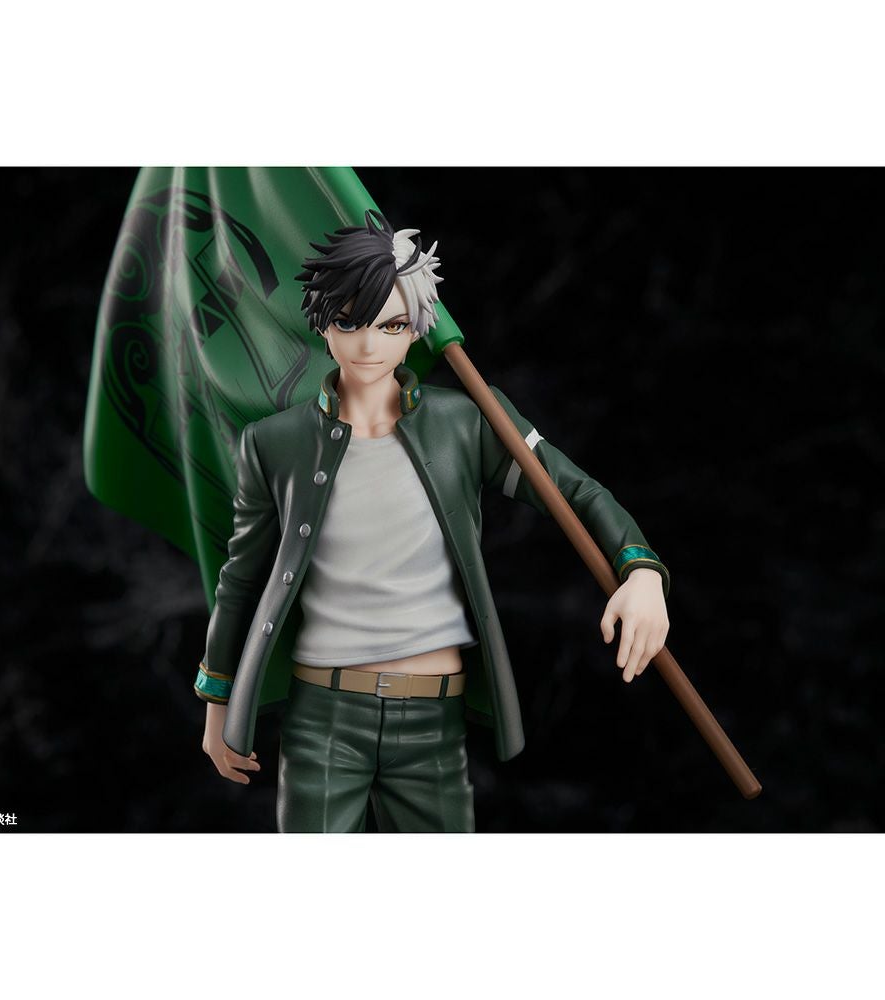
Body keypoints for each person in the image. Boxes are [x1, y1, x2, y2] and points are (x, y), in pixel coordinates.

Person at [194, 210, 670, 832]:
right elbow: (241, 577)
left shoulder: (468, 422)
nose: (369, 345)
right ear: (323, 323)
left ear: (418, 325)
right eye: (349, 321)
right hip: (322, 717)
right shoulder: (274, 442)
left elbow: (572, 490)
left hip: (433, 720)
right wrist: (216, 701)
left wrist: (641, 571)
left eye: (391, 324)